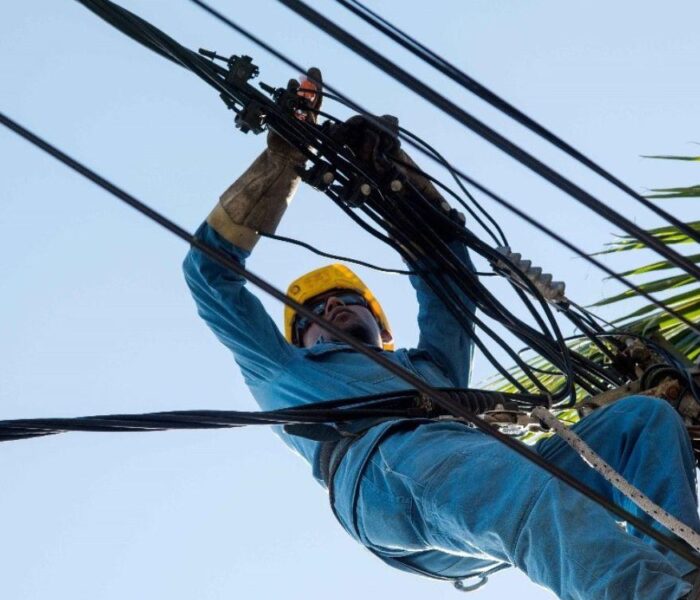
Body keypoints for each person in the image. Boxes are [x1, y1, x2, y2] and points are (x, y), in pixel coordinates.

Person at [182, 69, 700, 599]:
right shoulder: (283, 372)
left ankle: (682, 572)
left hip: (468, 470)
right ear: (299, 339)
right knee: (522, 494)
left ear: (382, 326)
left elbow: (448, 272)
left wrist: (401, 184)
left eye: (347, 298)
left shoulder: (431, 370)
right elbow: (209, 276)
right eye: (312, 311)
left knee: (645, 421)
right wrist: (283, 161)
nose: (333, 303)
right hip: (384, 470)